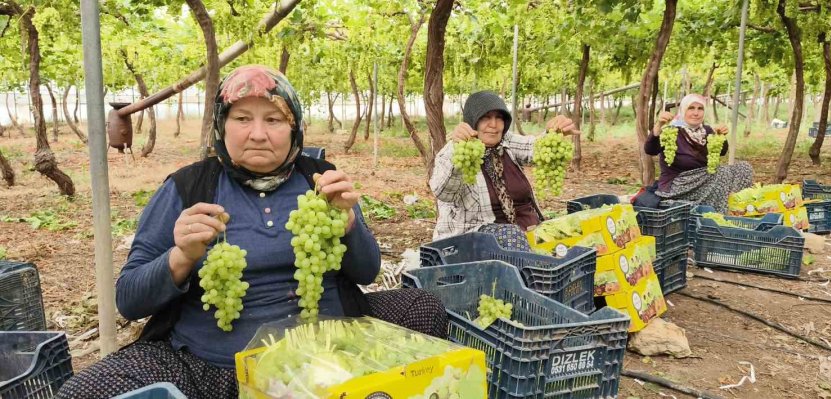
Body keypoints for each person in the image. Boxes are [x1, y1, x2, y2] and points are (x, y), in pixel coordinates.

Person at [57, 65, 447, 399]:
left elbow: (367, 273)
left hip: (330, 351)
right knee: (87, 389)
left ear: (294, 130)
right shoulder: (187, 188)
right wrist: (180, 257)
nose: (258, 133)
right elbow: (128, 300)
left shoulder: (321, 182)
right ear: (221, 127)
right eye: (242, 119)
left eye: (273, 120)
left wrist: (349, 226)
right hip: (215, 368)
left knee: (424, 306)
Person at [429, 90, 578, 248]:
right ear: (473, 121)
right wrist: (457, 155)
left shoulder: (505, 143)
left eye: (499, 117)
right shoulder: (454, 153)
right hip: (472, 242)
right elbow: (444, 193)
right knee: (513, 237)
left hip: (527, 234)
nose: (493, 125)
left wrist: (553, 132)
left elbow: (534, 147)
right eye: (485, 117)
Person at [643, 93, 753, 213]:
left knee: (744, 168)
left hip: (704, 179)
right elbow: (650, 150)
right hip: (679, 183)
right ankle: (718, 215)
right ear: (683, 110)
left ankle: (737, 209)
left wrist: (720, 136)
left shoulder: (707, 130)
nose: (696, 113)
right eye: (691, 108)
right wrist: (658, 125)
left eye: (700, 108)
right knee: (721, 173)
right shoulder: (671, 131)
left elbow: (721, 152)